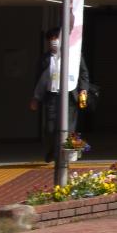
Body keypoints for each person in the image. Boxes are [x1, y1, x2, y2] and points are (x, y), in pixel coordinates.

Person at [30, 30, 92, 159]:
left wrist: (83, 90)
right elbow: (39, 80)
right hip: (52, 96)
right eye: (51, 39)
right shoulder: (45, 58)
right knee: (51, 128)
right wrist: (35, 98)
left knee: (69, 127)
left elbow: (84, 74)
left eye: (56, 38)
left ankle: (68, 156)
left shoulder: (74, 55)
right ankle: (55, 149)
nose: (54, 41)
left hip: (70, 95)